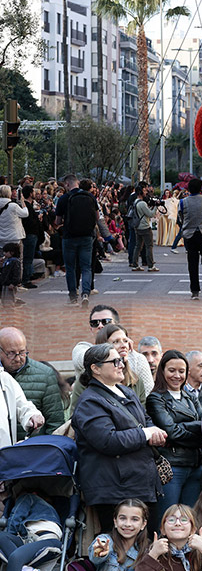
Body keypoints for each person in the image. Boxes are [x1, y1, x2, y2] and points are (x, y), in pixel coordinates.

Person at [70, 343, 166, 531]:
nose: (121, 364)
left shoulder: (126, 391)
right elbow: (108, 440)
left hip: (141, 484)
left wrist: (155, 432)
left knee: (147, 547)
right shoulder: (89, 402)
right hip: (114, 490)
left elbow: (144, 419)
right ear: (95, 369)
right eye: (114, 361)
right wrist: (146, 434)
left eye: (121, 360)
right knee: (118, 551)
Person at [146, 350, 202, 509]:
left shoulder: (191, 397)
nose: (177, 375)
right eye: (172, 370)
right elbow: (170, 432)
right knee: (166, 518)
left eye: (181, 371)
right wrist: (195, 433)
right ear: (162, 371)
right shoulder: (156, 398)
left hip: (195, 466)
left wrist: (182, 427)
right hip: (172, 468)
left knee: (189, 519)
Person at [0, 326, 64, 438]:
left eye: (22, 352)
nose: (18, 358)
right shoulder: (3, 376)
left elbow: (55, 421)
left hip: (34, 449)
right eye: (11, 353)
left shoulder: (45, 374)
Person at [55, 173, 98, 304]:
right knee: (86, 267)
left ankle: (73, 295)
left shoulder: (64, 198)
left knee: (70, 267)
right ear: (77, 183)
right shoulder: (89, 196)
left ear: (67, 184)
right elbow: (97, 216)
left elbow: (57, 221)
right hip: (86, 236)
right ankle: (86, 293)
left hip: (69, 237)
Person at [174, 177, 202, 300]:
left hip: (190, 235)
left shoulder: (183, 202)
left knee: (192, 264)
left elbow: (180, 217)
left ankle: (195, 291)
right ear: (200, 188)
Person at [130, 182, 159, 273]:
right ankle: (151, 265)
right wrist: (155, 207)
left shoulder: (136, 201)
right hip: (145, 227)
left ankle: (135, 264)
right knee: (148, 246)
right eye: (144, 191)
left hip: (137, 226)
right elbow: (150, 214)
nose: (146, 192)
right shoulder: (142, 203)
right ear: (140, 192)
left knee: (138, 246)